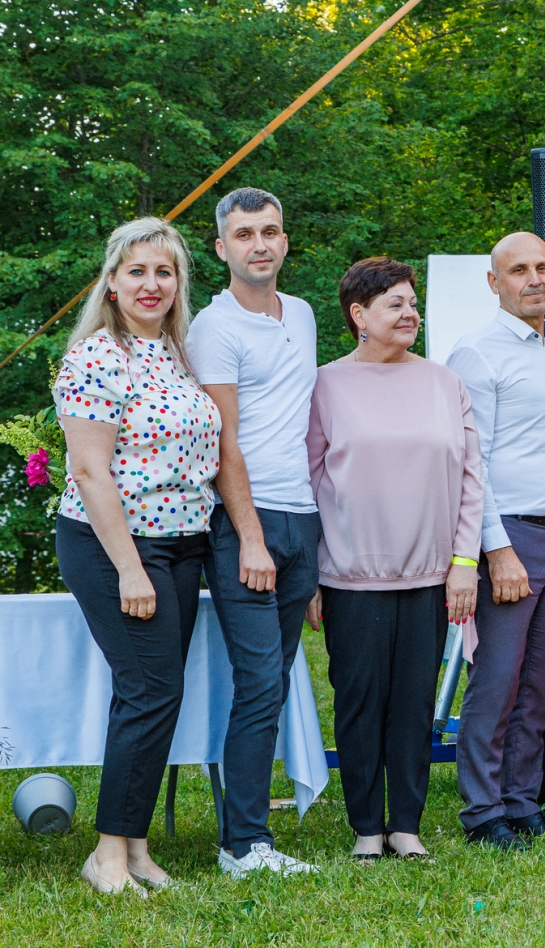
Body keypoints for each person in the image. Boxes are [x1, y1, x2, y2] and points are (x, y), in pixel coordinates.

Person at [54, 218, 221, 895]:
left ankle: (136, 846)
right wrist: (129, 568)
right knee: (149, 690)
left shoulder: (178, 353)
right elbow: (90, 472)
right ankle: (107, 855)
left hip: (182, 543)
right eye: (137, 272)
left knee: (158, 693)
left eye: (164, 272)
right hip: (113, 545)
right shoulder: (96, 357)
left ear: (178, 284)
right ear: (112, 284)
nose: (151, 284)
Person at [304, 257, 483, 861]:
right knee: (358, 704)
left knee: (413, 704)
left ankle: (405, 825)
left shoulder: (444, 383)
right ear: (359, 314)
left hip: (431, 577)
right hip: (350, 577)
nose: (410, 314)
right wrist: (311, 575)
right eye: (395, 304)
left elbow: (472, 479)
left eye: (413, 303)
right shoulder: (324, 386)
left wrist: (464, 563)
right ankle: (365, 828)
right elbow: (305, 481)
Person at [185, 188, 320, 878]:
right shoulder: (215, 328)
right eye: (243, 234)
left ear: (285, 240)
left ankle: (249, 833)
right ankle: (243, 844)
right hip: (247, 521)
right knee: (261, 681)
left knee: (277, 678)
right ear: (222, 248)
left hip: (303, 517)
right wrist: (250, 538)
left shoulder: (303, 314)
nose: (259, 244)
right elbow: (223, 444)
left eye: (269, 231)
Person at [445, 233, 545, 849]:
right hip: (510, 535)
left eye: (543, 268)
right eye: (519, 269)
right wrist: (495, 550)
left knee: (540, 681)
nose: (534, 279)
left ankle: (523, 805)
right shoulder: (477, 353)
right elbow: (471, 463)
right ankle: (483, 812)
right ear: (493, 281)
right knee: (497, 677)